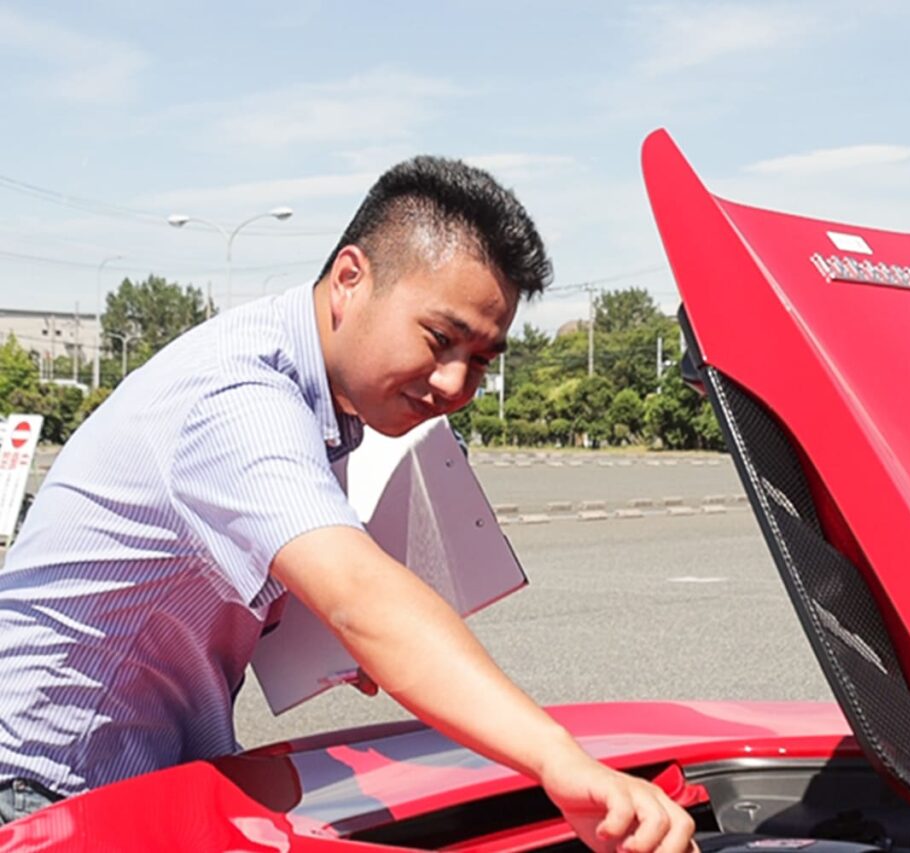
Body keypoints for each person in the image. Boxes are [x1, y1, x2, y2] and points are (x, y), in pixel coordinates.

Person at [0, 156, 696, 852]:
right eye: (440, 338)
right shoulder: (238, 397)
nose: (457, 382)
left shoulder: (322, 402)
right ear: (350, 279)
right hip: (41, 788)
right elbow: (361, 595)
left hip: (133, 774)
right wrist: (561, 760)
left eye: (483, 359)